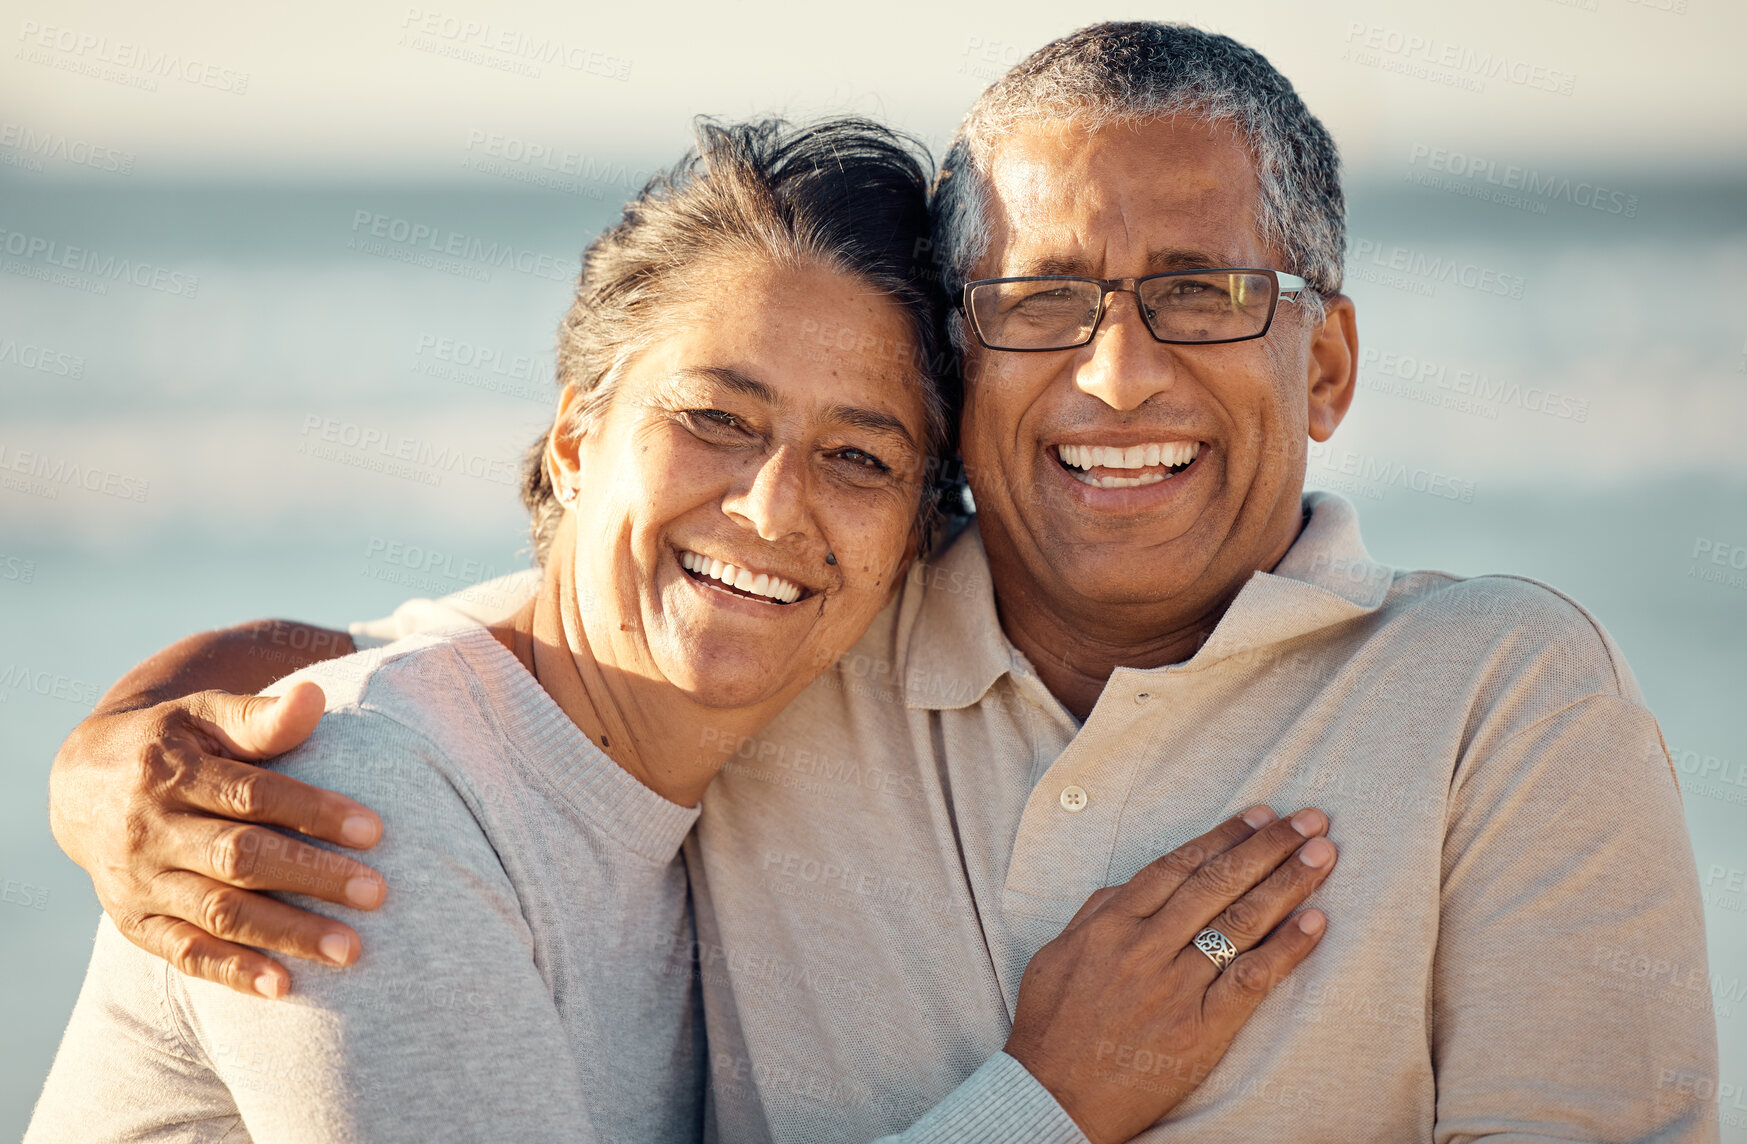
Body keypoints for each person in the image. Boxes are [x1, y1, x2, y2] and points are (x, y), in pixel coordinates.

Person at [45, 21, 1719, 1144]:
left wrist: (134, 718)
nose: (1118, 375)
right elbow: (432, 691)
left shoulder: (1498, 699)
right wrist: (1050, 1098)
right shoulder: (757, 665)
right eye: (1043, 299)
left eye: (1200, 291)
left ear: (1329, 364)